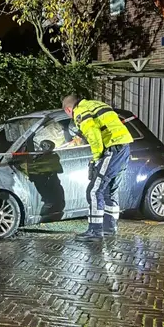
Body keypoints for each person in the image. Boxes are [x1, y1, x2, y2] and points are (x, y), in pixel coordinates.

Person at [62, 95, 133, 241]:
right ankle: (109, 227)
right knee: (110, 189)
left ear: (69, 109)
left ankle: (95, 231)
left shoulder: (80, 112)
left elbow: (93, 134)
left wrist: (97, 158)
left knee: (94, 190)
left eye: (67, 114)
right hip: (124, 146)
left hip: (112, 148)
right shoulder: (95, 104)